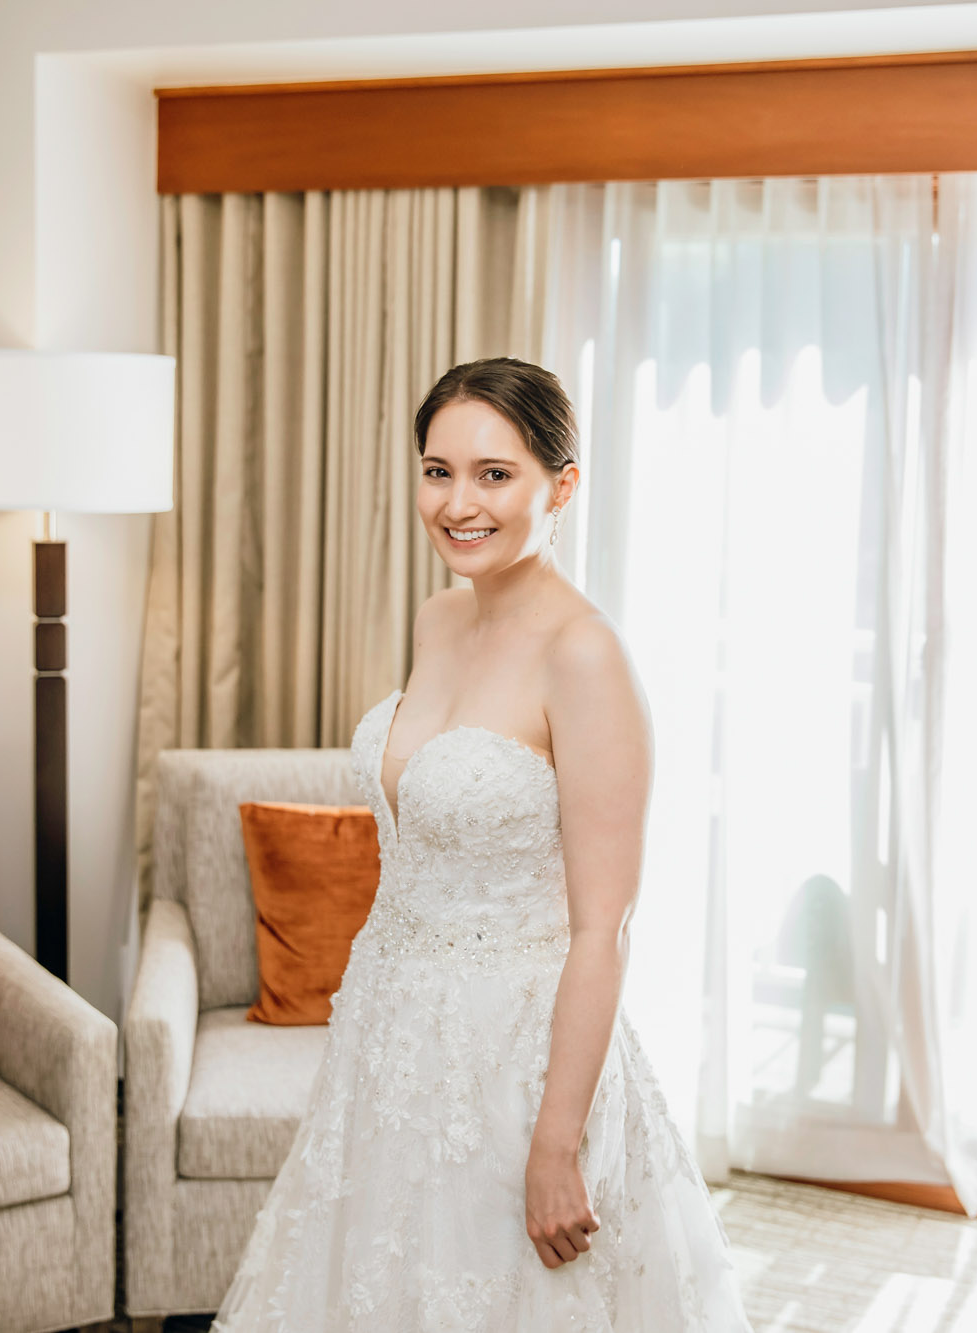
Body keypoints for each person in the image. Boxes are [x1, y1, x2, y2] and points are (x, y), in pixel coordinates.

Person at [211, 357, 752, 1331]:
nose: (457, 502)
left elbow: (604, 925)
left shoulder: (582, 654)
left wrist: (555, 1141)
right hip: (388, 1032)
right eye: (436, 470)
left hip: (516, 1056)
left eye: (494, 474)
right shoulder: (438, 617)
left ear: (562, 485)